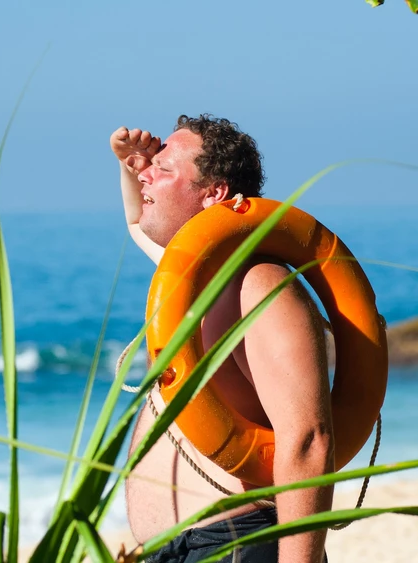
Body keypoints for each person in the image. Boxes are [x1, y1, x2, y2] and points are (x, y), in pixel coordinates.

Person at [111, 115, 332, 563]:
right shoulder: (193, 280)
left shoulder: (257, 285)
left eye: (163, 168)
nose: (145, 175)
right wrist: (129, 164)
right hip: (175, 551)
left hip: (235, 546)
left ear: (213, 194)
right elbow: (137, 222)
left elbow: (308, 439)